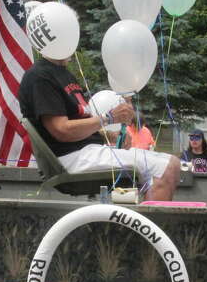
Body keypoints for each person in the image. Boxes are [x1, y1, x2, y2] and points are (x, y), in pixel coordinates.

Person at [18, 47, 180, 202]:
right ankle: (148, 229)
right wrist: (109, 117)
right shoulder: (40, 76)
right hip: (72, 159)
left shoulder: (63, 74)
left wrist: (108, 135)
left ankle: (141, 226)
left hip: (85, 153)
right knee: (166, 167)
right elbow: (62, 130)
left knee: (170, 163)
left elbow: (75, 125)